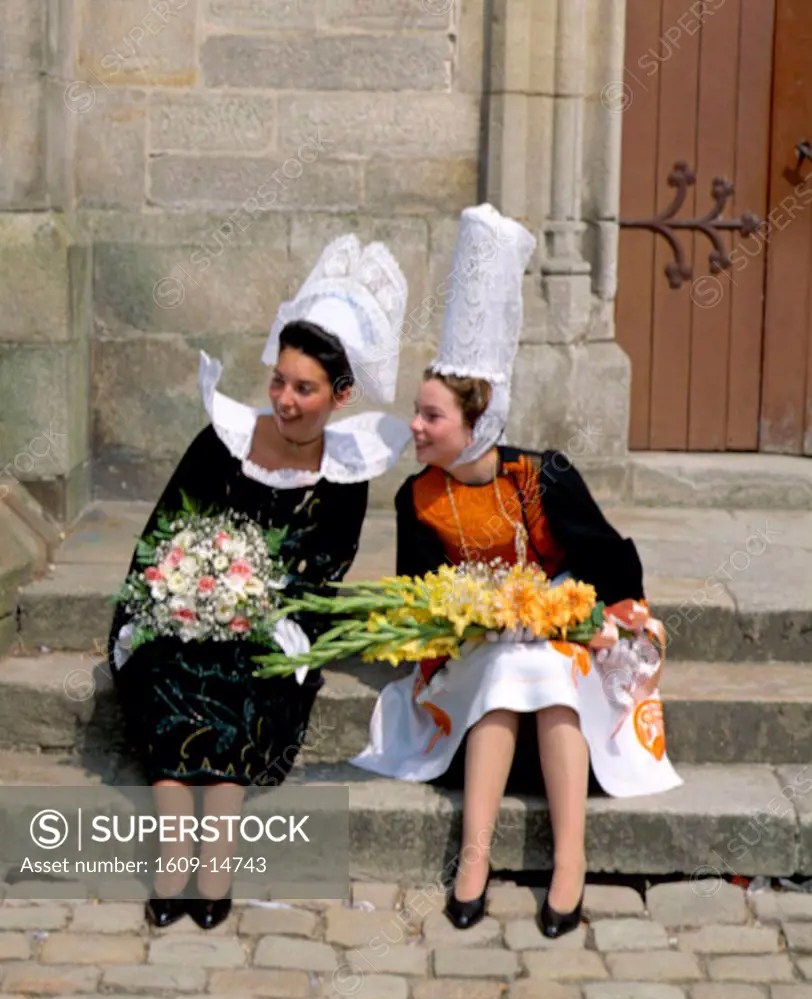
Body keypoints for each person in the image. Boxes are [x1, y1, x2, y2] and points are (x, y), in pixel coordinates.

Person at [350, 204, 682, 937]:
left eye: (432, 417)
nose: (416, 426)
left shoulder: (541, 477)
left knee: (548, 670)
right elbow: (417, 598)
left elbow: (611, 560)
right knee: (503, 671)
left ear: (478, 426)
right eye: (416, 411)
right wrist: (469, 615)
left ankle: (570, 860)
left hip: (561, 636)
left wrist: (591, 617)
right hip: (477, 644)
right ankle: (475, 858)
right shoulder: (418, 498)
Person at [108, 235, 410, 930]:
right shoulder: (224, 438)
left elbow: (320, 575)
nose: (284, 399)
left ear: (341, 395)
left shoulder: (344, 475)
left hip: (275, 618)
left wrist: (247, 607)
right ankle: (172, 848)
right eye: (279, 380)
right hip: (182, 601)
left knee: (243, 673)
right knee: (169, 659)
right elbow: (165, 530)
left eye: (304, 389)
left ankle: (216, 856)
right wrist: (180, 594)